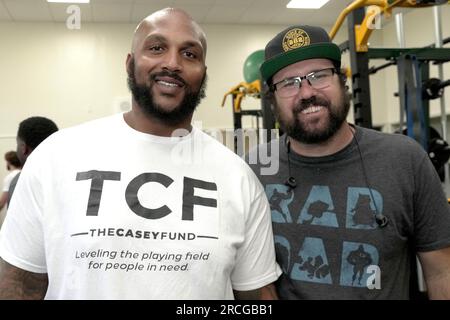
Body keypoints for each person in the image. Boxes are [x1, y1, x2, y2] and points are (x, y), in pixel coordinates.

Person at [0, 8, 280, 300]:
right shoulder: (56, 157)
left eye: (189, 54)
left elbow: (257, 296)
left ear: (203, 74)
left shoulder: (238, 177)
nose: (172, 63)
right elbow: (20, 284)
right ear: (130, 63)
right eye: (157, 48)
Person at [247, 25, 450, 299]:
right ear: (272, 101)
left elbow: (441, 271)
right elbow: (252, 279)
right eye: (288, 83)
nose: (306, 92)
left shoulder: (405, 159)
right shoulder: (254, 168)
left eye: (318, 75)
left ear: (341, 81)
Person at [6, 116, 59, 206]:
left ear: (23, 148)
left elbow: (17, 219)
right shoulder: (72, 175)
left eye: (17, 144)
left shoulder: (20, 181)